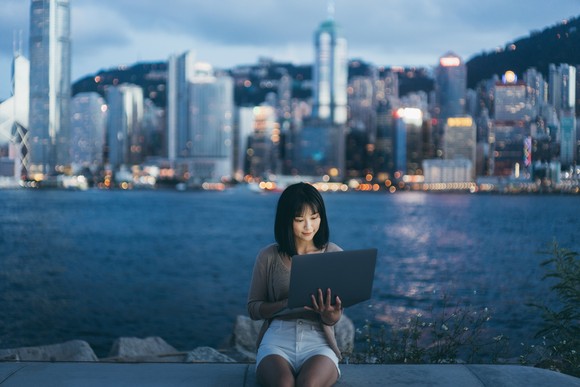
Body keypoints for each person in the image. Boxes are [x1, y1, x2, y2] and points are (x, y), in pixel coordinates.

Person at [247, 182, 343, 387]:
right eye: (300, 220)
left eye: (314, 218)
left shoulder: (333, 254)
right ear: (286, 221)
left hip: (319, 340)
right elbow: (254, 309)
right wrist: (286, 303)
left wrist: (329, 313)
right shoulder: (268, 256)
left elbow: (334, 318)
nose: (309, 227)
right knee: (284, 384)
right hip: (277, 339)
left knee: (308, 385)